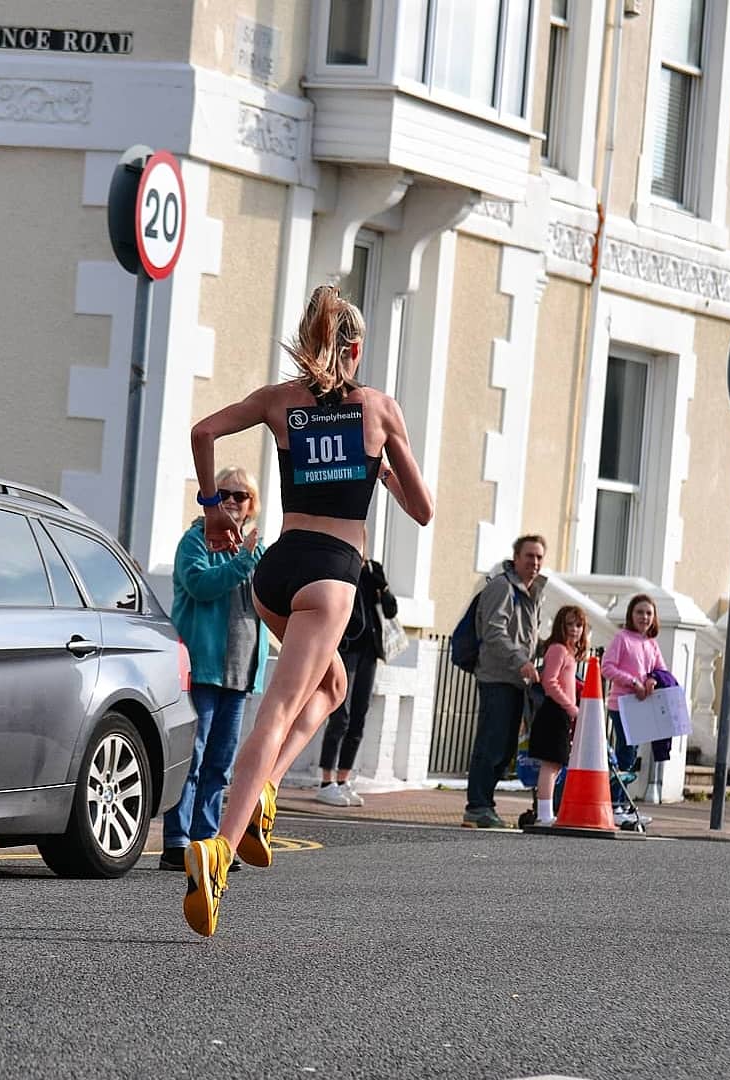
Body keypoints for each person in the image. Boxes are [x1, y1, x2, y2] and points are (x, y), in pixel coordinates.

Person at [182, 283, 433, 935]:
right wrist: (380, 471)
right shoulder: (378, 409)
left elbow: (203, 431)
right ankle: (219, 848)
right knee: (279, 707)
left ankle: (262, 789)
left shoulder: (279, 402)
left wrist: (214, 509)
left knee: (333, 686)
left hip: (277, 571)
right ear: (352, 349)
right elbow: (424, 509)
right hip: (331, 577)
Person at [160, 466, 269, 872]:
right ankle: (176, 841)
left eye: (240, 496)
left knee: (221, 763)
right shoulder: (196, 539)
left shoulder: (255, 549)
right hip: (202, 668)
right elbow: (200, 585)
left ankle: (207, 840)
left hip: (239, 672)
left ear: (251, 504)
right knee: (193, 756)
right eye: (222, 493)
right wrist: (243, 561)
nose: (230, 501)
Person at [462, 534, 547, 829]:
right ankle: (477, 807)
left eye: (539, 557)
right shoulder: (502, 587)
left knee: (507, 746)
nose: (534, 562)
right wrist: (521, 662)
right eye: (529, 556)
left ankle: (485, 804)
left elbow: (528, 638)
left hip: (516, 680)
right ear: (516, 557)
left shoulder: (531, 592)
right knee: (492, 743)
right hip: (497, 677)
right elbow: (495, 632)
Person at [316, 547, 396, 807]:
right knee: (340, 715)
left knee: (359, 717)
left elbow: (391, 610)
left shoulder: (373, 570)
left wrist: (382, 588)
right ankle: (326, 782)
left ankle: (343, 779)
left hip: (369, 652)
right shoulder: (339, 565)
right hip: (346, 650)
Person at [602, 593, 664, 825]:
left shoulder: (651, 644)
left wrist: (651, 680)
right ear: (631, 614)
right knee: (625, 752)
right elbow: (607, 667)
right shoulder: (622, 638)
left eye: (648, 613)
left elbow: (660, 670)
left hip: (641, 706)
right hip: (621, 704)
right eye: (639, 612)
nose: (644, 617)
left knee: (631, 755)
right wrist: (633, 682)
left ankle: (622, 803)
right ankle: (615, 803)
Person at [528, 605, 589, 825]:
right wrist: (570, 706)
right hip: (554, 711)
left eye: (579, 625)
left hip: (561, 713)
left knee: (556, 764)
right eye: (570, 624)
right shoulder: (558, 650)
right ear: (560, 627)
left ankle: (547, 811)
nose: (574, 629)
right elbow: (550, 682)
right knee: (551, 763)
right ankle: (544, 813)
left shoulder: (569, 653)